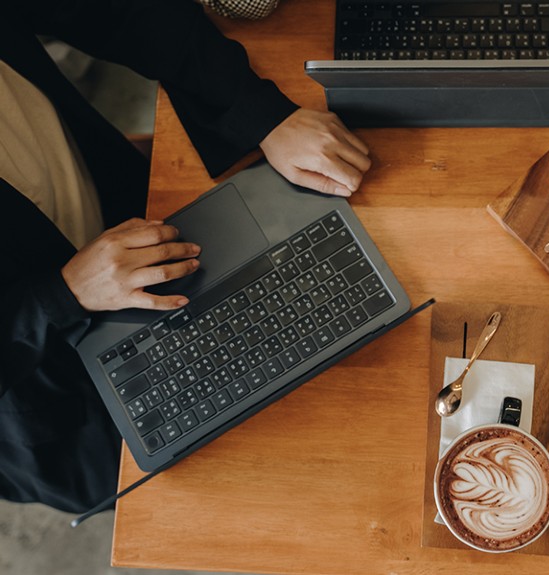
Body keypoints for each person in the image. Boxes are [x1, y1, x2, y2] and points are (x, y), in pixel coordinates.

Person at [0, 0, 370, 514]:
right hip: (59, 399)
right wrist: (59, 296)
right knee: (236, 497)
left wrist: (261, 115)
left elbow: (116, 12)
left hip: (138, 219)